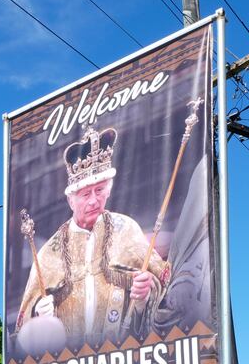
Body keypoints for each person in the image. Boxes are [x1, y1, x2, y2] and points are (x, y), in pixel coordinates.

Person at [16, 125, 164, 351]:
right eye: (86, 194)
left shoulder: (127, 229)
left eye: (100, 190)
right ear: (71, 200)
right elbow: (25, 321)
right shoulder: (50, 251)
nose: (94, 201)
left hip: (122, 358)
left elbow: (161, 283)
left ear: (108, 190)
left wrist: (144, 295)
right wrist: (39, 312)